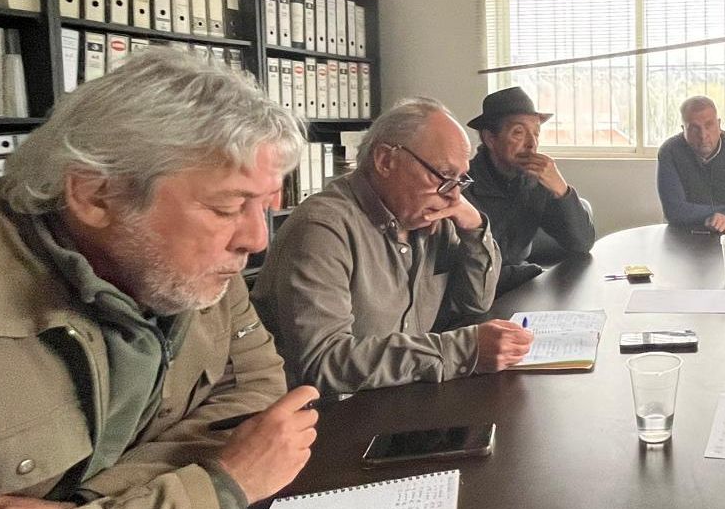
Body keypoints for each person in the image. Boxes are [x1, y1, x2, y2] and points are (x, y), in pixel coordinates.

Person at [0, 49, 318, 509]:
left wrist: (86, 507)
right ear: (96, 194)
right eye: (229, 207)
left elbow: (257, 401)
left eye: (265, 207)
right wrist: (220, 487)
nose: (256, 240)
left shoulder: (180, 267)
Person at [253, 98, 531, 394]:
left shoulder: (431, 215)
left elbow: (474, 303)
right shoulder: (323, 228)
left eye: (460, 180)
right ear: (386, 160)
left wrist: (475, 227)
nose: (453, 196)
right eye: (444, 176)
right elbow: (323, 362)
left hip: (397, 398)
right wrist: (463, 351)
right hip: (330, 420)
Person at [463, 86, 595, 294]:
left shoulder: (534, 182)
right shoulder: (463, 186)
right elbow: (480, 268)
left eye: (536, 133)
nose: (532, 144)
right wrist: (531, 273)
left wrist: (561, 189)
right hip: (478, 297)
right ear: (490, 139)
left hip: (522, 287)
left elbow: (581, 244)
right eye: (518, 132)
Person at [657, 96, 725, 232]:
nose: (703, 135)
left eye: (709, 125)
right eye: (695, 128)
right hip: (686, 236)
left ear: (719, 125)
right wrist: (720, 214)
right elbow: (673, 209)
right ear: (683, 129)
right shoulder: (670, 151)